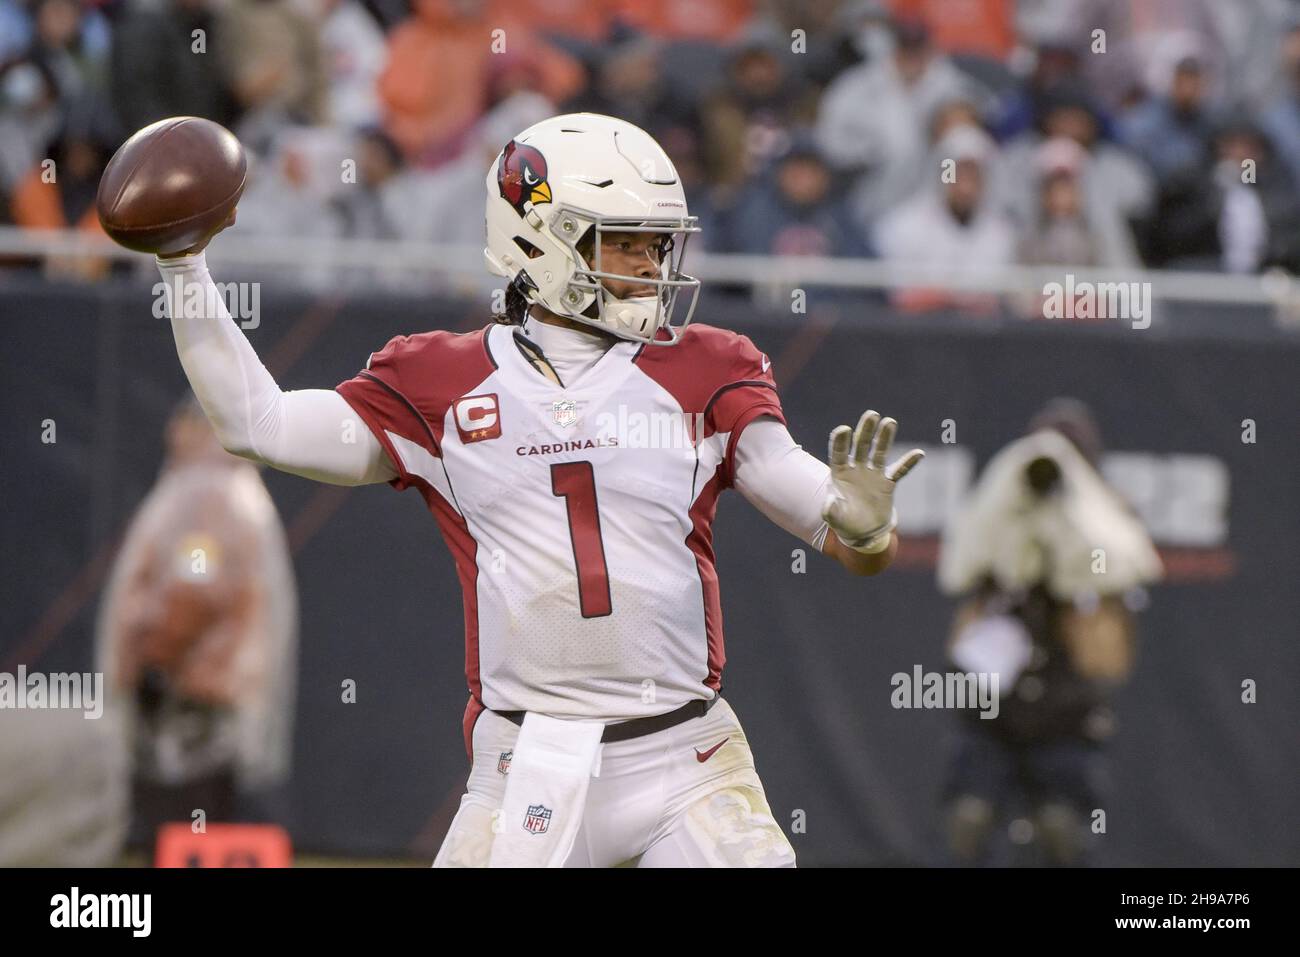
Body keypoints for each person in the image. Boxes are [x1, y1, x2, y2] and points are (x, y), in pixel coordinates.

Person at [152, 113, 925, 868]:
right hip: (529, 758)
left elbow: (829, 521)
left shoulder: (708, 365)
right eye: (626, 244)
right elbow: (260, 423)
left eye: (659, 246)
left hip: (686, 756)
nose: (653, 269)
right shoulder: (437, 380)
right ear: (539, 241)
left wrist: (861, 527)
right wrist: (183, 268)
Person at [936, 399, 1162, 866]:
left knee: (1062, 831)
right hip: (992, 706)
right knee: (970, 819)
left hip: (1067, 710)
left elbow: (1112, 642)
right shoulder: (999, 517)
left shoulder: (1109, 523)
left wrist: (1073, 536)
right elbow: (960, 573)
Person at [95, 397, 298, 856]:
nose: (173, 435)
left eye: (183, 424)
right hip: (206, 712)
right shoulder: (227, 490)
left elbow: (194, 588)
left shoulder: (208, 495)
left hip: (186, 716)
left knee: (177, 840)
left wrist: (156, 668)